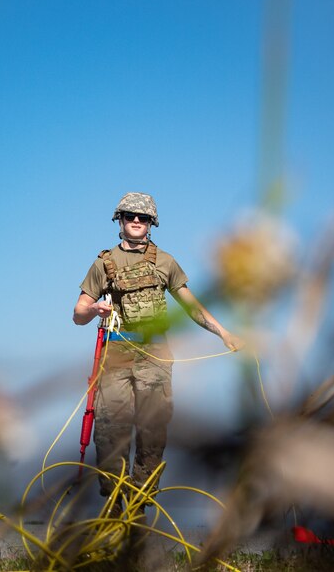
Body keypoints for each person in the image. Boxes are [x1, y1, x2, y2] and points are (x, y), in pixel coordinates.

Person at [72, 192, 242, 501]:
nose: (136, 221)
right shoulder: (103, 263)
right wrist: (94, 308)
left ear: (152, 223)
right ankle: (112, 504)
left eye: (143, 217)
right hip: (117, 353)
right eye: (130, 216)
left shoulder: (165, 261)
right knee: (110, 431)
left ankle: (138, 503)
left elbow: (192, 306)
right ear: (119, 220)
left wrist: (224, 333)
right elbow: (78, 314)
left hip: (155, 355)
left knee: (152, 433)